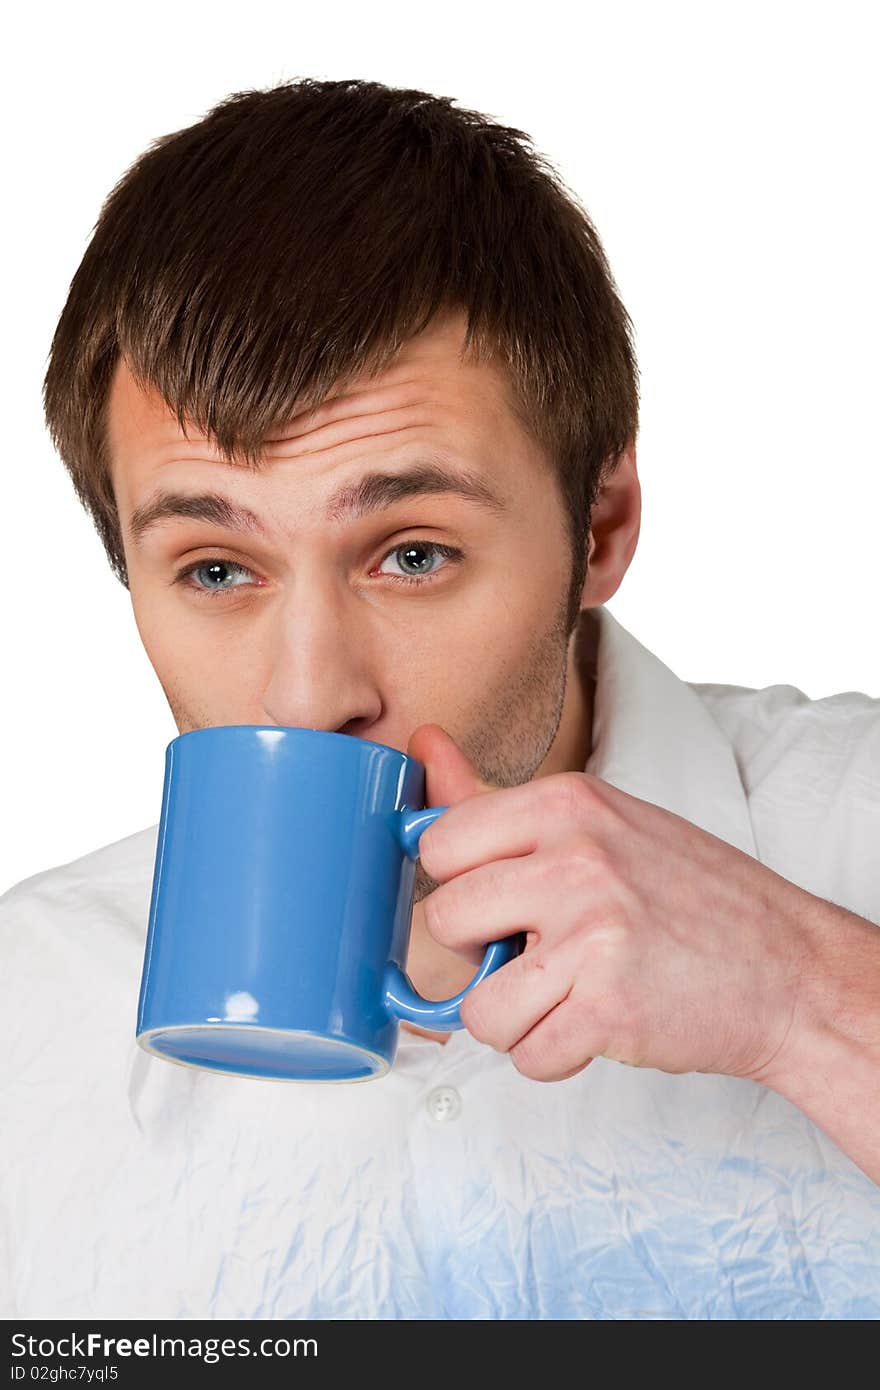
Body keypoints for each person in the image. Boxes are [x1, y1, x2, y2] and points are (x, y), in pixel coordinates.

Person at [1, 77, 878, 1322]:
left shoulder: (856, 830)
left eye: (412, 552)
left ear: (598, 529)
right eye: (215, 568)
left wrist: (807, 999)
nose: (311, 695)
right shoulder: (21, 1007)